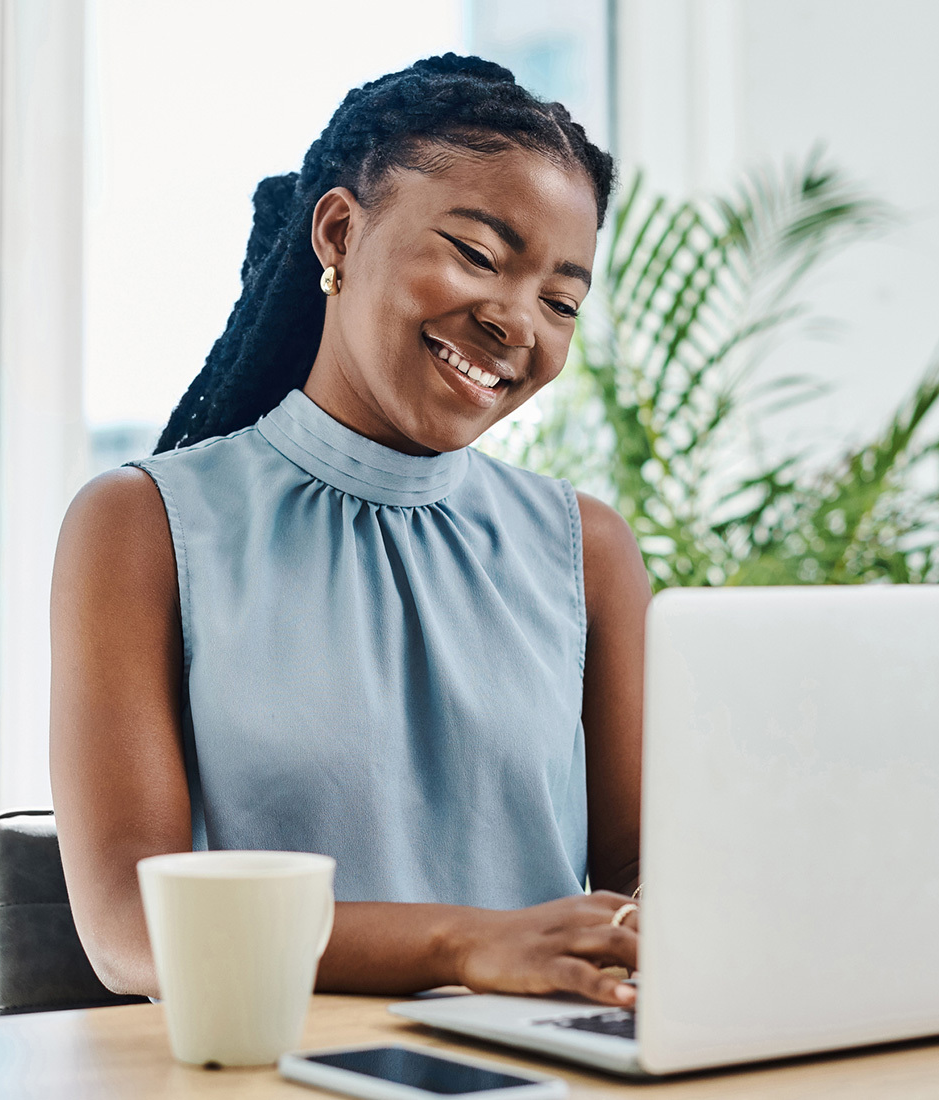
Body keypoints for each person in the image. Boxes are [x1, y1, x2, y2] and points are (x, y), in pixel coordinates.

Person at [50, 54, 650, 1008]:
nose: (515, 321)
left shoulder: (589, 549)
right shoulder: (143, 525)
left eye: (562, 300)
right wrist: (466, 946)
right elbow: (134, 931)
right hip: (273, 1068)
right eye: (479, 255)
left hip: (550, 1069)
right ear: (340, 231)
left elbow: (645, 879)